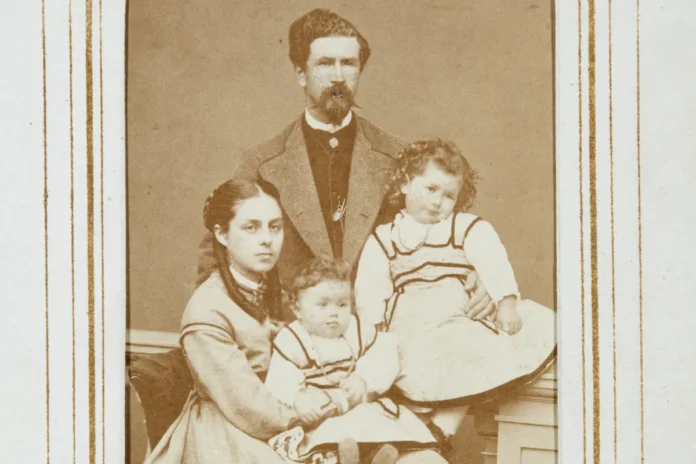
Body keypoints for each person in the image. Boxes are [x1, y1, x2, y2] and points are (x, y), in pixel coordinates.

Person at [194, 8, 496, 323]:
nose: (339, 76)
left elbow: (455, 235)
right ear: (301, 73)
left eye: (349, 64)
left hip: (390, 329)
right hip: (294, 335)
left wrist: (483, 277)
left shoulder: (402, 157)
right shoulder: (262, 162)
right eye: (325, 63)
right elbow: (216, 256)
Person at [354, 140, 557, 455]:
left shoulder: (463, 227)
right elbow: (370, 286)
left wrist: (506, 302)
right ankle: (404, 438)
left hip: (457, 318)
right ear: (405, 182)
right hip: (412, 324)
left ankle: (438, 434)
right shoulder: (385, 237)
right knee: (408, 373)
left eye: (449, 195)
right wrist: (372, 330)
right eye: (431, 189)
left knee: (472, 361)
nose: (438, 202)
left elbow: (493, 260)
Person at [145, 179, 303, 463]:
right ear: (221, 234)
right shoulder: (207, 311)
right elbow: (249, 407)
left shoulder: (271, 291)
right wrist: (311, 416)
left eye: (274, 227)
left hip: (273, 415)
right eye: (251, 227)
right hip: (229, 429)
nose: (266, 239)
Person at [264, 258, 440, 464]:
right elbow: (279, 376)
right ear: (296, 308)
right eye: (322, 305)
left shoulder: (356, 329)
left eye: (342, 304)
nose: (333, 313)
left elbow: (382, 352)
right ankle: (344, 458)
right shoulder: (293, 339)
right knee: (326, 438)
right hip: (324, 412)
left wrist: (363, 379)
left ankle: (374, 457)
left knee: (374, 426)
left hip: (356, 406)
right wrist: (297, 397)